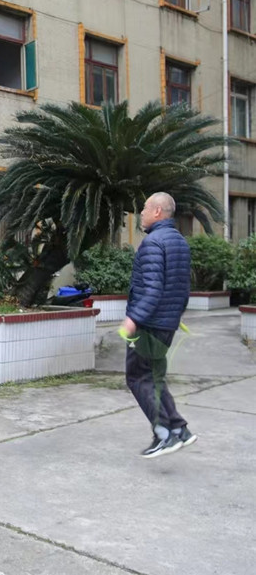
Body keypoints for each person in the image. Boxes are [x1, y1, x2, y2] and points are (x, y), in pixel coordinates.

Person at [122, 192, 197, 459]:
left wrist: (134, 319)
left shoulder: (153, 242)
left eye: (144, 208)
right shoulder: (179, 242)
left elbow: (152, 289)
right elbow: (183, 288)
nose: (140, 213)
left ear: (157, 212)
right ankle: (179, 429)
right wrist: (175, 316)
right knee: (153, 377)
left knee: (137, 377)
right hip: (166, 323)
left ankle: (164, 434)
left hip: (150, 324)